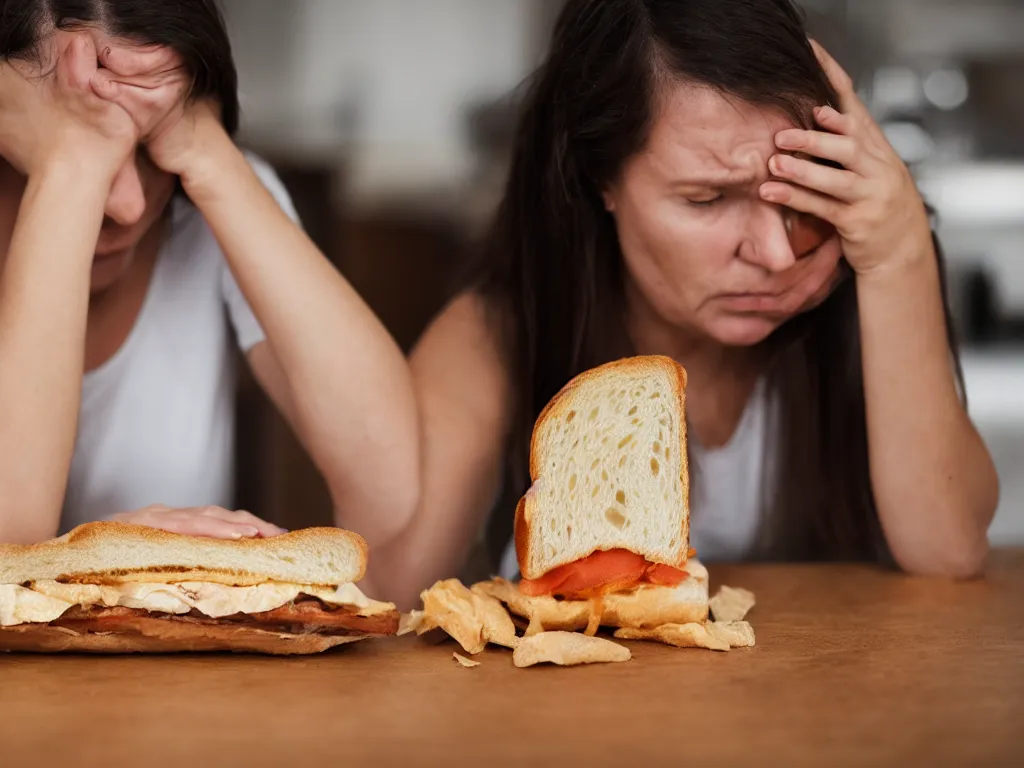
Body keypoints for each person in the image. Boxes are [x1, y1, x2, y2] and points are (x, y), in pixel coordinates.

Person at [365, 0, 999, 608]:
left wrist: (900, 257)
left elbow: (948, 551)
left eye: (798, 190)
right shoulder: (501, 331)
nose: (776, 254)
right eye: (706, 200)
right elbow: (391, 588)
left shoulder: (874, 280)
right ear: (599, 178)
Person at [0, 0, 419, 545]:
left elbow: (390, 498)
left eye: (149, 146)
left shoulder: (209, 198)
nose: (123, 206)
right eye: (54, 144)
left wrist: (203, 148)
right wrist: (71, 166)